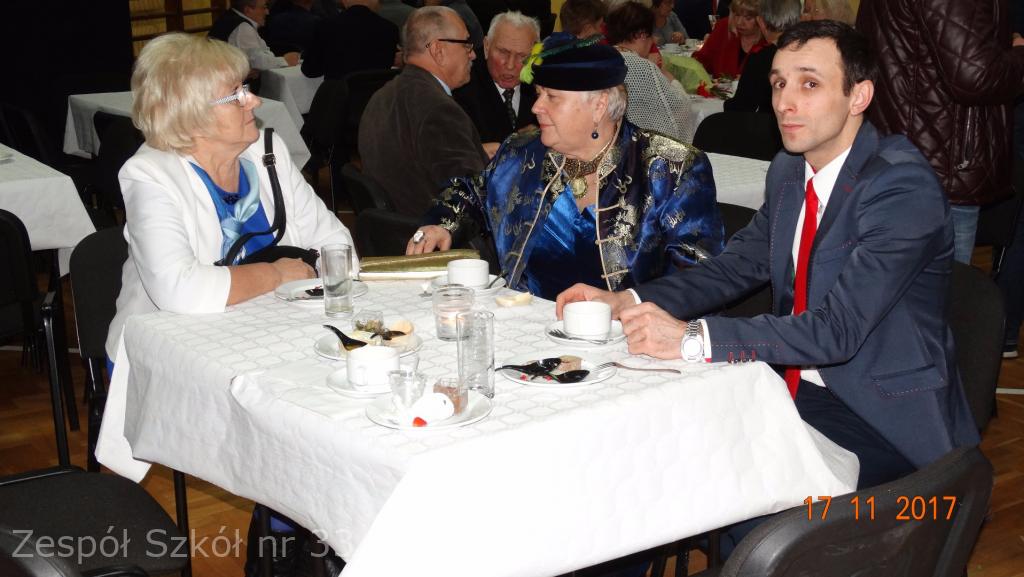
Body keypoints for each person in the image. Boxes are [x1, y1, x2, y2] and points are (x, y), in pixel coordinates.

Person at [556, 20, 980, 491]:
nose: (784, 102)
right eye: (778, 83)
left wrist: (692, 337)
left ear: (858, 96)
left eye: (809, 84)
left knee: (728, 489)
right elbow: (735, 267)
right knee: (651, 453)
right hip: (788, 387)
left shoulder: (901, 188)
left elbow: (836, 331)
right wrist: (628, 300)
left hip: (877, 417)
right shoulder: (790, 171)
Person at [104, 33, 355, 577]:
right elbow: (181, 292)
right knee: (294, 418)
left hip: (271, 334)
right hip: (169, 352)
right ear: (189, 113)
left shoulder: (266, 152)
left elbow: (339, 248)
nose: (254, 101)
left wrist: (280, 281)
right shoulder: (149, 174)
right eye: (236, 93)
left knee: (336, 402)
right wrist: (278, 273)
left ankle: (303, 537)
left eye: (247, 87)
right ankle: (287, 544)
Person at [406, 33, 724, 301]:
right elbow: (472, 191)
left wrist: (628, 303)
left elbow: (699, 275)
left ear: (599, 106)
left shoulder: (670, 169)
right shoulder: (523, 152)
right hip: (526, 324)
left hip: (627, 335)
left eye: (552, 97)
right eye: (538, 94)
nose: (536, 107)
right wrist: (441, 224)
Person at [858, 0, 1024, 264]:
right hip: (942, 164)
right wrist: (1019, 53)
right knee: (941, 284)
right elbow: (976, 76)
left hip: (907, 152)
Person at [359, 6, 489, 217]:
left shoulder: (382, 96)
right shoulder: (439, 110)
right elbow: (472, 196)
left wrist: (476, 151)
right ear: (438, 50)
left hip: (393, 228)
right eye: (466, 43)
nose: (473, 54)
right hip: (434, 232)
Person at [606, 1, 696, 141]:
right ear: (642, 35)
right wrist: (670, 77)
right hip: (637, 145)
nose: (652, 41)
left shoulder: (603, 59)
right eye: (651, 36)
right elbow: (681, 105)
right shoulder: (644, 68)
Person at [453, 11, 541, 154]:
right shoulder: (462, 84)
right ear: (486, 46)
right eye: (503, 52)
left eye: (522, 56)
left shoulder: (546, 84)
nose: (510, 65)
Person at [723, 0, 800, 113]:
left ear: (761, 22)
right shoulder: (809, 52)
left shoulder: (761, 58)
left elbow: (741, 107)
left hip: (772, 122)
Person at [301, 0, 401, 80]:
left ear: (344, 1)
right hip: (376, 95)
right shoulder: (390, 29)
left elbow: (310, 71)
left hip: (337, 96)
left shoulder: (326, 26)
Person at [209, 0, 300, 72]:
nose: (267, 12)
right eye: (264, 7)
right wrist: (285, 61)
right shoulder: (242, 27)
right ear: (248, 10)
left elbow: (262, 51)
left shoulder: (230, 18)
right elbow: (257, 62)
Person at [692, 0, 767, 77]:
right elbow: (702, 59)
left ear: (761, 19)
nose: (739, 22)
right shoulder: (723, 27)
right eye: (737, 15)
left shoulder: (768, 39)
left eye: (748, 18)